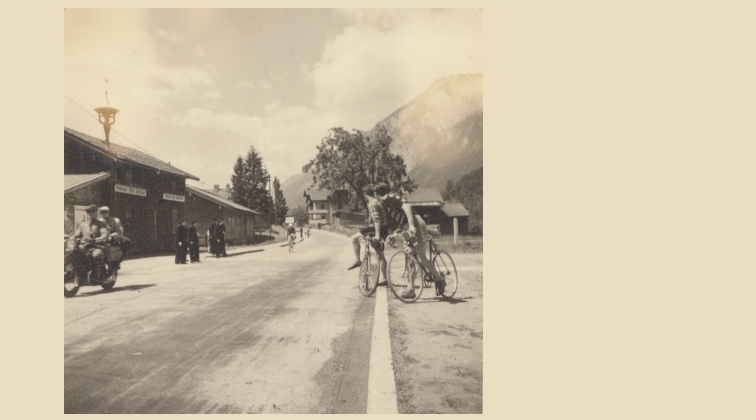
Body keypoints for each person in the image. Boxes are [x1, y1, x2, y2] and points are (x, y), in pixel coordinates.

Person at [373, 183, 446, 299]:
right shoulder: (387, 203)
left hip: (415, 223)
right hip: (410, 225)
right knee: (412, 257)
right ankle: (414, 287)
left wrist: (411, 226)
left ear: (375, 194)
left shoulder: (388, 198)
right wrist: (395, 234)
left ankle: (436, 280)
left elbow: (406, 207)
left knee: (419, 258)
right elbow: (401, 220)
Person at [347, 184, 378, 271]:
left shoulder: (371, 203)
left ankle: (357, 260)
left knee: (354, 239)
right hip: (381, 227)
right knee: (378, 251)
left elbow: (376, 219)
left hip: (374, 228)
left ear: (365, 194)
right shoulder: (378, 201)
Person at [73, 204, 110, 271]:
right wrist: (71, 238)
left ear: (97, 213)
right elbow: (76, 234)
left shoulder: (101, 224)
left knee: (95, 256)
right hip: (84, 246)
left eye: (93, 211)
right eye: (88, 211)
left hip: (97, 246)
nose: (90, 213)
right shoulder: (82, 224)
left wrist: (100, 238)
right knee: (74, 255)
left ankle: (97, 273)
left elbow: (105, 233)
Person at [98, 206, 125, 270]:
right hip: (100, 240)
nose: (103, 214)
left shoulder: (115, 221)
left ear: (108, 212)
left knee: (112, 252)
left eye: (105, 212)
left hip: (112, 240)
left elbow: (120, 231)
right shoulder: (98, 221)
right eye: (101, 212)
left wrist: (112, 235)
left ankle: (113, 266)